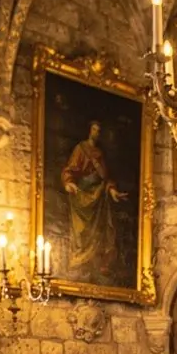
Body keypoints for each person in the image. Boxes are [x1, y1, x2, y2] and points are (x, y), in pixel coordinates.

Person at [61, 118, 130, 285]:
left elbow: (105, 178)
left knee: (99, 233)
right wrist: (68, 182)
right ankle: (79, 263)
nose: (96, 133)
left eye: (99, 131)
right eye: (94, 129)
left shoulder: (100, 154)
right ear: (89, 130)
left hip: (98, 196)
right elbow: (70, 170)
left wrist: (112, 190)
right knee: (81, 232)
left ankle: (97, 266)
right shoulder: (81, 148)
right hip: (82, 195)